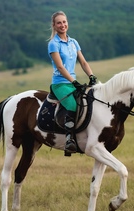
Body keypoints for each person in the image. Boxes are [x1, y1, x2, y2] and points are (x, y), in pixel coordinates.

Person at [48, 11, 97, 155]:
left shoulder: (74, 42)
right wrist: (74, 81)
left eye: (64, 22)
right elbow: (60, 67)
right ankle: (69, 139)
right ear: (54, 25)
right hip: (60, 84)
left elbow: (83, 61)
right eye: (59, 23)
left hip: (72, 82)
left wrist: (92, 76)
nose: (62, 25)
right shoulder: (53, 44)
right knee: (72, 105)